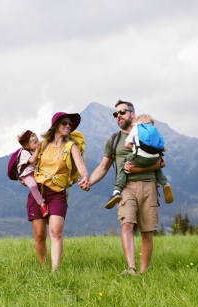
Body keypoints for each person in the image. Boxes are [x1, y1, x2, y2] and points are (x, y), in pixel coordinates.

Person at [78, 100, 163, 275]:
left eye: (122, 112)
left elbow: (161, 162)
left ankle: (144, 272)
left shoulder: (147, 132)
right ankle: (131, 268)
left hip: (149, 186)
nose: (118, 116)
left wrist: (139, 168)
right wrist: (89, 181)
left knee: (147, 232)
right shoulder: (114, 139)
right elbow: (103, 167)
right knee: (127, 225)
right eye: (115, 114)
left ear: (132, 114)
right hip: (125, 187)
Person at [29, 112, 88, 272]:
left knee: (55, 231)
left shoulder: (71, 147)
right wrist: (23, 177)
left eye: (70, 124)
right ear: (55, 125)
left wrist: (86, 178)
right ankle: (43, 268)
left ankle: (55, 271)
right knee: (40, 234)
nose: (68, 126)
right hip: (38, 193)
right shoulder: (42, 144)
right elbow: (29, 163)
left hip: (58, 193)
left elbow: (81, 165)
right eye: (64, 123)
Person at [105, 113, 173, 209]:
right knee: (156, 167)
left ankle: (117, 191)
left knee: (126, 162)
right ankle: (165, 184)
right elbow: (164, 149)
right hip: (154, 159)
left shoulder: (136, 128)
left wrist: (137, 147)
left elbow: (127, 144)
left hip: (140, 158)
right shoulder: (155, 131)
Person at [16, 130, 49, 217]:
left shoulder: (34, 147)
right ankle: (42, 204)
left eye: (37, 141)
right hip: (26, 174)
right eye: (35, 143)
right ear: (27, 146)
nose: (37, 143)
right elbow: (32, 160)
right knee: (33, 186)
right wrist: (38, 150)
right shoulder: (24, 152)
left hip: (35, 172)